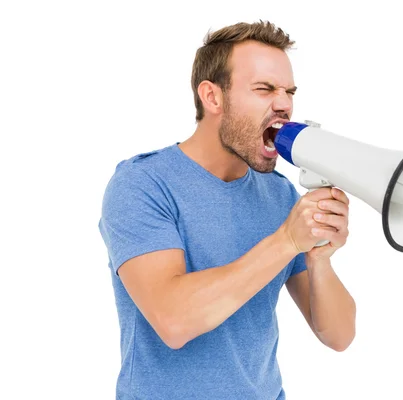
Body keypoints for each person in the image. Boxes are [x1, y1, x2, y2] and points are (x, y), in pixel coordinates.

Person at [98, 20, 356, 400]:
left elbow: (338, 336)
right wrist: (286, 241)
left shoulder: (280, 194)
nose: (284, 104)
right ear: (213, 97)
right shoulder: (143, 184)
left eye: (288, 91)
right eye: (264, 89)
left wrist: (320, 258)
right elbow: (173, 320)